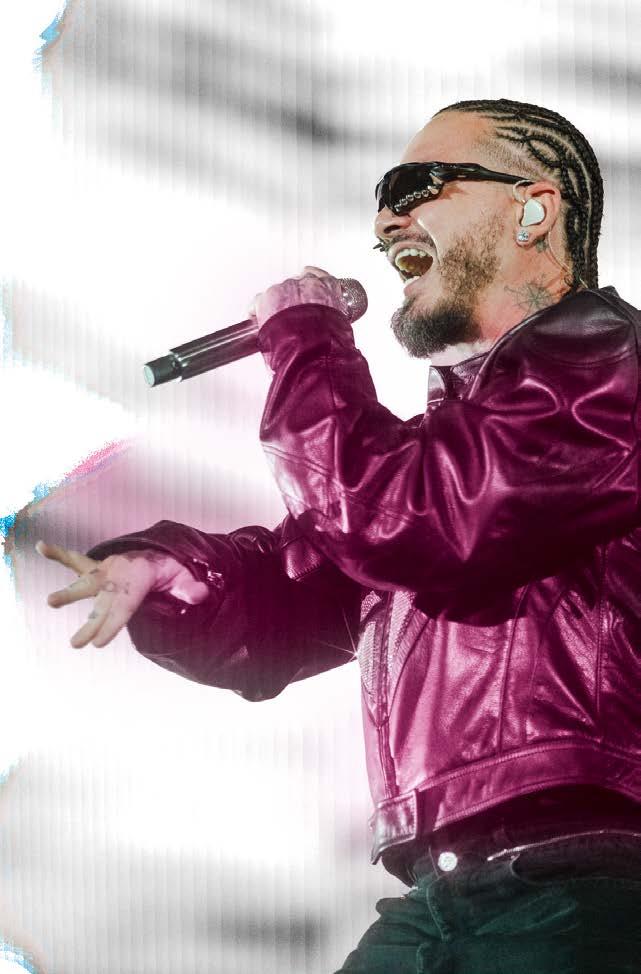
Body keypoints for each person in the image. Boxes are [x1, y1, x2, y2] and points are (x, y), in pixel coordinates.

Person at [38, 98, 641, 971]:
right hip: (445, 893)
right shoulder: (456, 452)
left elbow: (397, 522)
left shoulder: (606, 367)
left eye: (418, 185)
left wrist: (306, 340)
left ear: (533, 208)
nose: (386, 218)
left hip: (583, 877)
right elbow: (303, 592)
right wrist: (179, 574)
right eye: (381, 196)